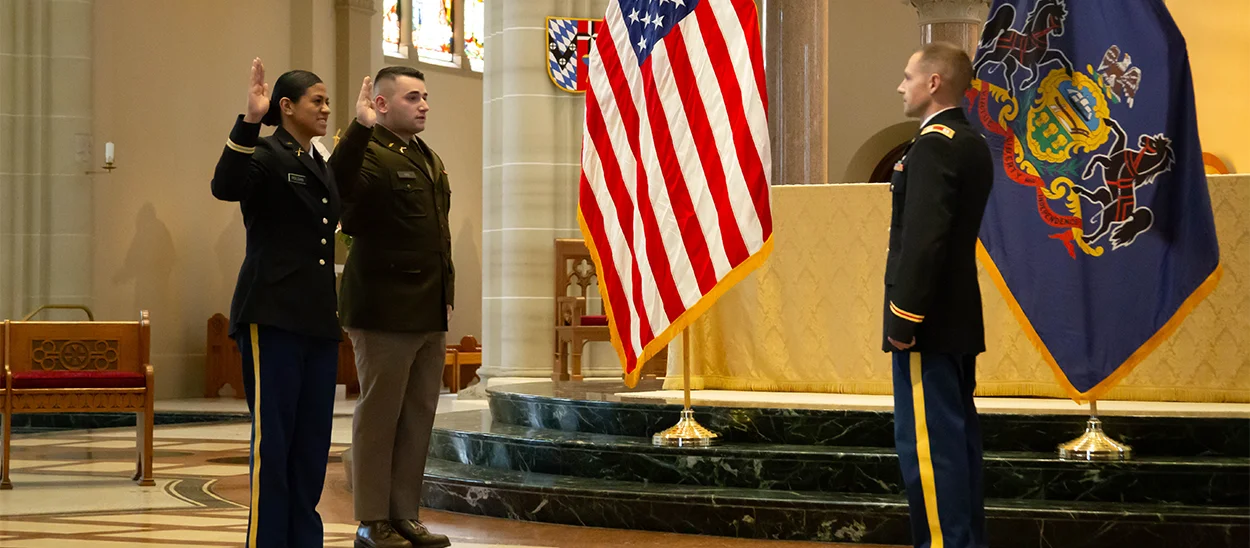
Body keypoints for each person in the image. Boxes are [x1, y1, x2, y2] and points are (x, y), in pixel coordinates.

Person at [211, 58, 375, 548]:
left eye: (328, 101)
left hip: (317, 321)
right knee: (275, 442)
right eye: (317, 101)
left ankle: (305, 539)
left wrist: (363, 129)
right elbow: (225, 186)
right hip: (273, 315)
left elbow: (335, 190)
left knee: (310, 445)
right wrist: (248, 119)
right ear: (286, 106)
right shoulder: (265, 154)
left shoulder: (316, 160)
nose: (327, 109)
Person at [328, 66, 454, 548]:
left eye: (425, 96)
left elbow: (437, 238)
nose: (423, 105)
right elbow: (337, 194)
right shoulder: (368, 153)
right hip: (383, 307)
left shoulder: (428, 157)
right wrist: (357, 130)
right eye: (412, 97)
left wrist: (445, 299)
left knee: (418, 414)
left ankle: (405, 514)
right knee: (380, 415)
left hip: (427, 308)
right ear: (381, 104)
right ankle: (371, 520)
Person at [883, 42, 994, 548]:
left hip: (926, 324)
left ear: (934, 84)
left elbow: (924, 240)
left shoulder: (932, 145)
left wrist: (903, 319)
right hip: (957, 319)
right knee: (956, 444)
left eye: (908, 76)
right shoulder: (969, 141)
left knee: (928, 451)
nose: (900, 86)